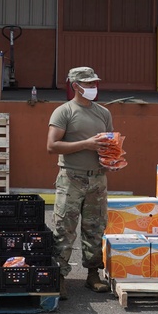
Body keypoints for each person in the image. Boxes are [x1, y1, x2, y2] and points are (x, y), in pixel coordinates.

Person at [47, 66, 114, 299]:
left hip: (97, 178)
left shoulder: (103, 113)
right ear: (75, 86)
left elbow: (108, 144)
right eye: (88, 84)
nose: (93, 87)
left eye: (95, 83)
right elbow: (52, 146)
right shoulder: (64, 112)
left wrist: (111, 159)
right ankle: (59, 276)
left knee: (95, 228)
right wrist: (86, 144)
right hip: (71, 178)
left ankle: (93, 274)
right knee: (64, 228)